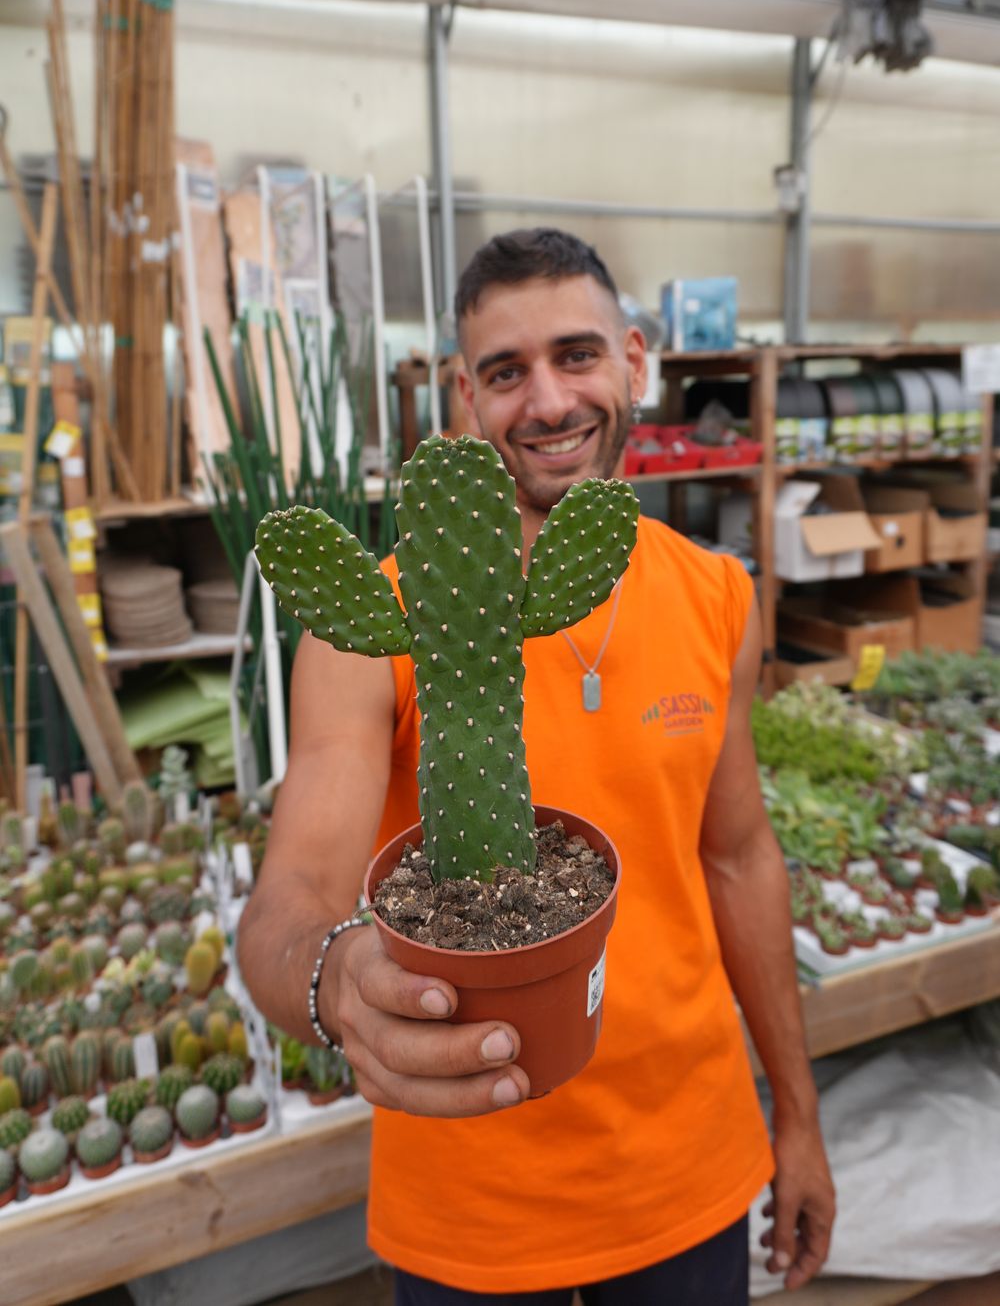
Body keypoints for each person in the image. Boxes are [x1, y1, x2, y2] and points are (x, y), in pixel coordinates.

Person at [239, 227, 835, 1305]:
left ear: (636, 362)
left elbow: (739, 859)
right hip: (469, 1206)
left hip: (688, 1173)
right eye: (506, 373)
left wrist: (797, 1115)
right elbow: (288, 905)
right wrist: (333, 983)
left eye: (577, 354)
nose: (549, 402)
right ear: (465, 397)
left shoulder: (716, 595)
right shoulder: (370, 627)